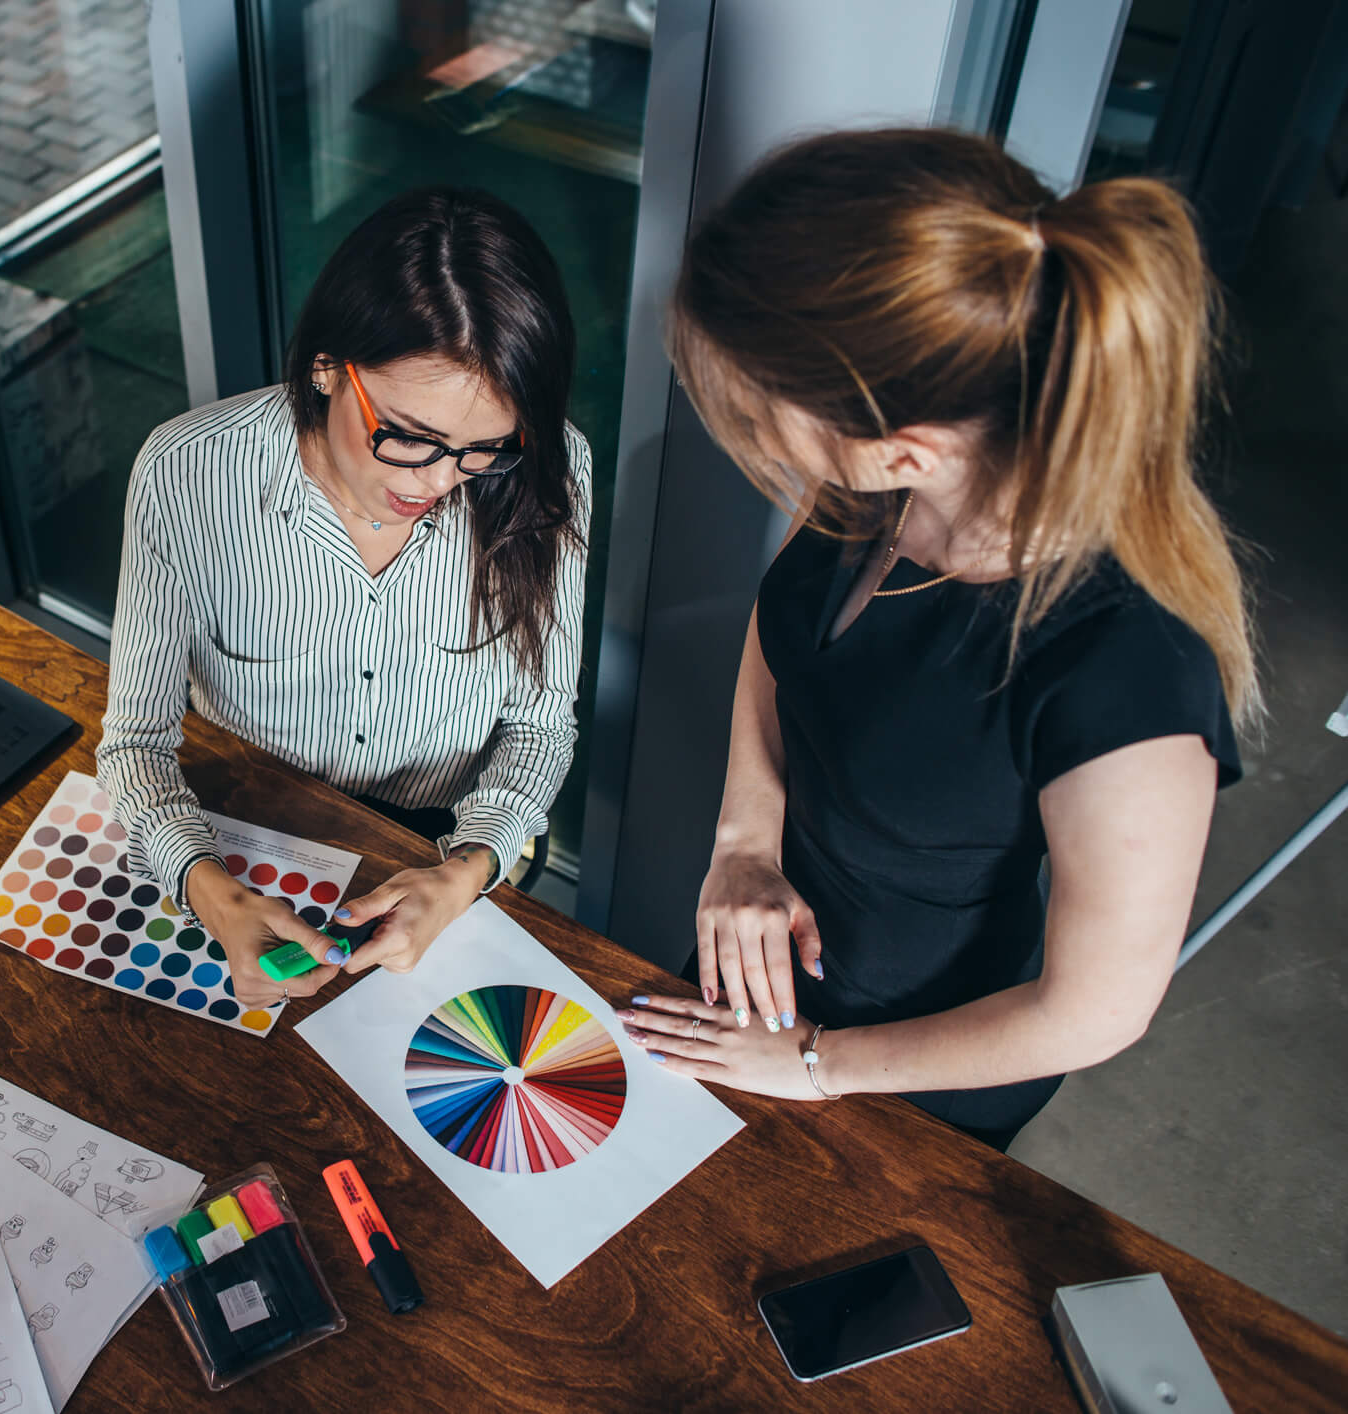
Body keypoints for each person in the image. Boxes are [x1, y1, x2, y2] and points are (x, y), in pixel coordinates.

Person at [618, 127, 1253, 1151]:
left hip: (916, 1066)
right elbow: (785, 643)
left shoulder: (1129, 677)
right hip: (759, 978)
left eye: (756, 410)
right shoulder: (875, 485)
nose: (747, 434)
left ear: (899, 442)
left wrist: (817, 1065)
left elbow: (1094, 1010)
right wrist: (744, 841)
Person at [98, 187, 591, 1008]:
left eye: (483, 450)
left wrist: (466, 871)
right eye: (408, 437)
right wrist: (208, 892)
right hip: (241, 829)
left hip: (442, 840)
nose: (439, 481)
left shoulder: (551, 469)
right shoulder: (187, 472)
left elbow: (540, 723)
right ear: (327, 366)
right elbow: (136, 741)